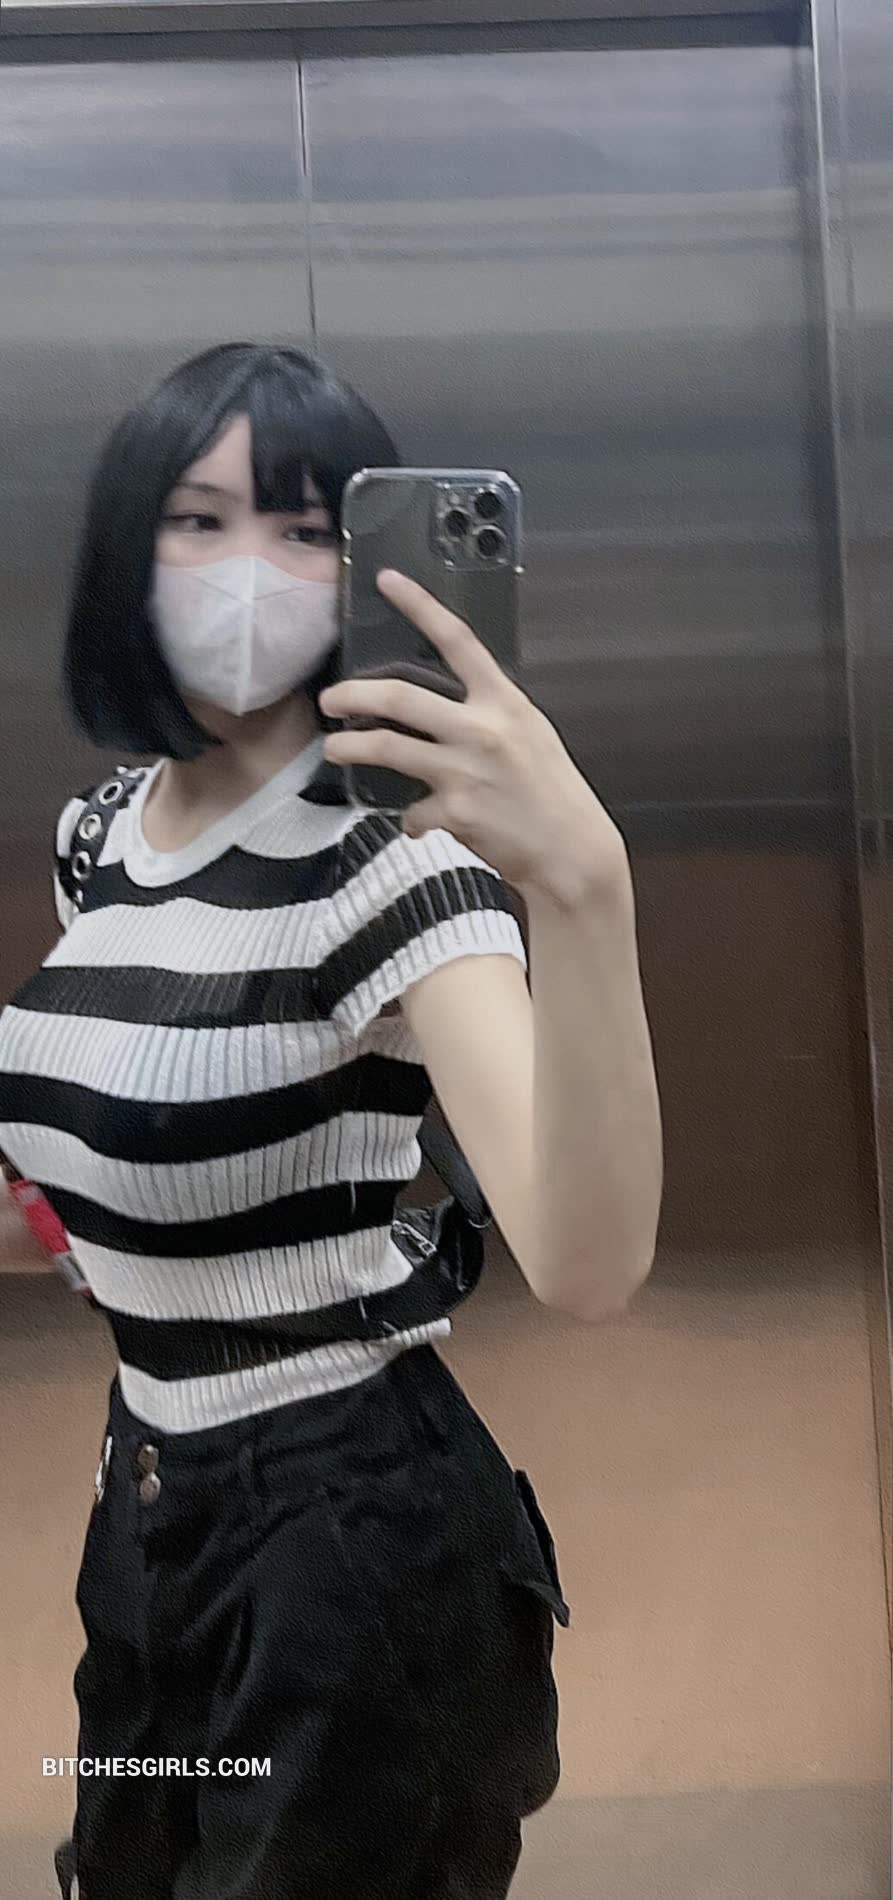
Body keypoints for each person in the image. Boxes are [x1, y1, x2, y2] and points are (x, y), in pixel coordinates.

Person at [0, 343, 662, 1900]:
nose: (250, 569)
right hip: (147, 1510)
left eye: (305, 529)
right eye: (200, 519)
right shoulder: (102, 836)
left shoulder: (394, 864)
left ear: (367, 565)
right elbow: (139, 1156)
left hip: (346, 1539)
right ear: (127, 547)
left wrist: (582, 884)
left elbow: (585, 1265)